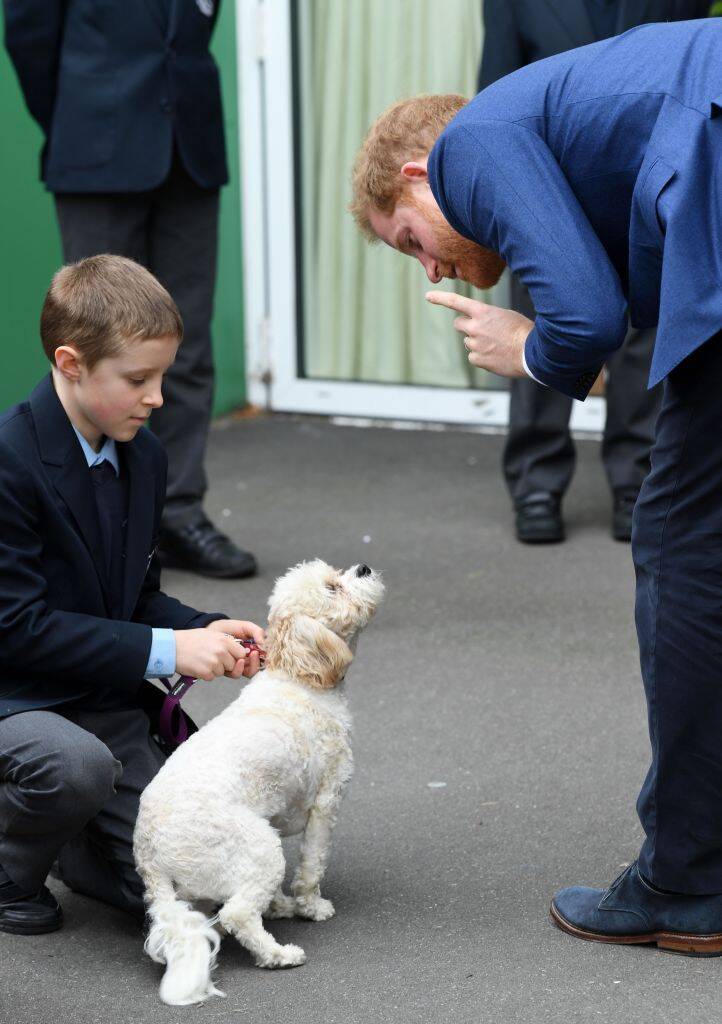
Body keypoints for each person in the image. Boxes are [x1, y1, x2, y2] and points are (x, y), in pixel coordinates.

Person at [351, 20, 722, 953]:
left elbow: (588, 318)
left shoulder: (472, 143)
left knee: (681, 552)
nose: (430, 267)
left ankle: (687, 881)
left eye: (409, 244)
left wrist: (531, 349)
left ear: (415, 176)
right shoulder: (570, 133)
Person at [0, 255, 266, 936]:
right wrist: (170, 648)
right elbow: (17, 629)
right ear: (71, 362)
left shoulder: (141, 454)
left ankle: (72, 838)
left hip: (101, 700)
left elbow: (135, 599)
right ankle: (9, 869)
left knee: (200, 889)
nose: (156, 399)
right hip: (19, 697)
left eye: (162, 378)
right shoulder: (9, 458)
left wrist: (209, 629)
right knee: (74, 767)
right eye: (138, 380)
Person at [2, 0, 256, 579]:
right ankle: (90, 518)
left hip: (190, 149)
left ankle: (178, 513)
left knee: (185, 344)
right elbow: (29, 37)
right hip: (97, 144)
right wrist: (78, 114)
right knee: (98, 346)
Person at [478, 0, 708, 544]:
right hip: (544, 188)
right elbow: (494, 86)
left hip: (648, 182)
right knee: (538, 321)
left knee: (643, 335)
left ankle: (636, 483)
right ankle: (536, 483)